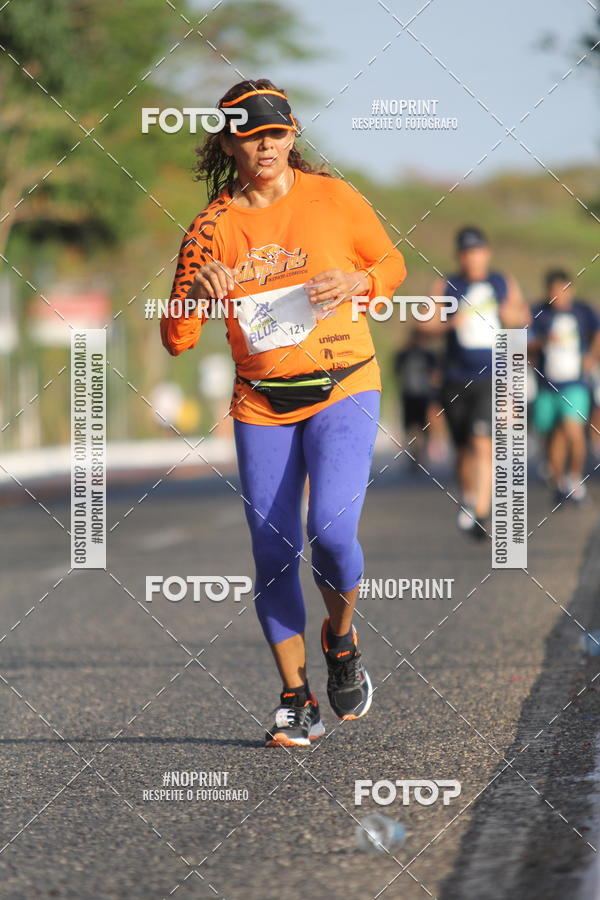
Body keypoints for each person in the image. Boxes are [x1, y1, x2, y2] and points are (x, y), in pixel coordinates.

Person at [160, 79, 406, 747]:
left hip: (344, 385)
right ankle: (295, 697)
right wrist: (197, 298)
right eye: (249, 134)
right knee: (273, 551)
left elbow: (391, 263)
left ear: (292, 135)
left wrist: (360, 281)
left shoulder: (334, 197)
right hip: (261, 404)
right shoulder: (211, 228)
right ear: (229, 141)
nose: (264, 145)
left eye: (275, 133)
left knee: (330, 533)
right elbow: (175, 339)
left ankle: (342, 638)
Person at [424, 226, 529, 539]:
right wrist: (447, 321)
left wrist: (511, 315)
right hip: (455, 378)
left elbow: (522, 317)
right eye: (466, 252)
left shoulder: (501, 281)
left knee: (484, 442)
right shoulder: (447, 284)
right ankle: (469, 498)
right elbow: (424, 323)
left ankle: (483, 513)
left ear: (487, 253)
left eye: (477, 251)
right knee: (463, 448)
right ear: (459, 256)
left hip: (491, 375)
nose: (472, 258)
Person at [529, 269, 600, 503]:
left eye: (563, 290)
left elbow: (597, 333)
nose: (559, 296)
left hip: (575, 382)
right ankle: (559, 481)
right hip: (547, 384)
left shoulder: (582, 311)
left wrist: (591, 357)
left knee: (573, 429)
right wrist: (544, 341)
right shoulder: (540, 312)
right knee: (553, 433)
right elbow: (524, 343)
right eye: (554, 291)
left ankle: (575, 477)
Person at [393, 329, 443, 464]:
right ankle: (414, 451)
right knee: (410, 425)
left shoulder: (428, 355)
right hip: (409, 394)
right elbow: (397, 372)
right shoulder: (404, 354)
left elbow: (435, 374)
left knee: (423, 424)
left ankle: (421, 451)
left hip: (423, 394)